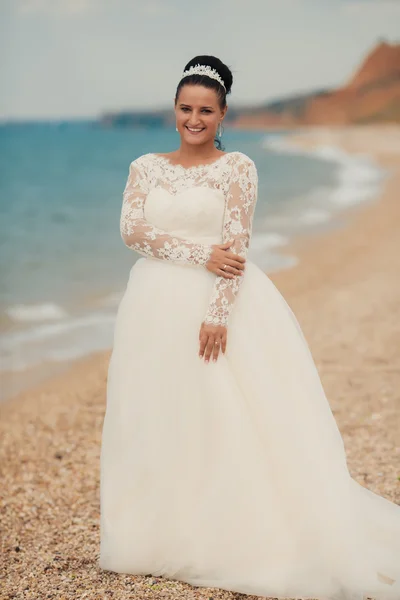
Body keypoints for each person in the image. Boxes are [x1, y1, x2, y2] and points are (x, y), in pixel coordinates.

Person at [99, 55, 400, 599]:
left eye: (206, 111)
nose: (195, 119)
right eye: (186, 108)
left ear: (222, 114)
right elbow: (131, 232)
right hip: (149, 306)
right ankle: (156, 533)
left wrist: (217, 314)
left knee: (217, 413)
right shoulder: (144, 167)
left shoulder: (237, 167)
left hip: (209, 308)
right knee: (156, 412)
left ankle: (228, 531)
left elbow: (235, 251)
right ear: (175, 111)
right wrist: (198, 252)